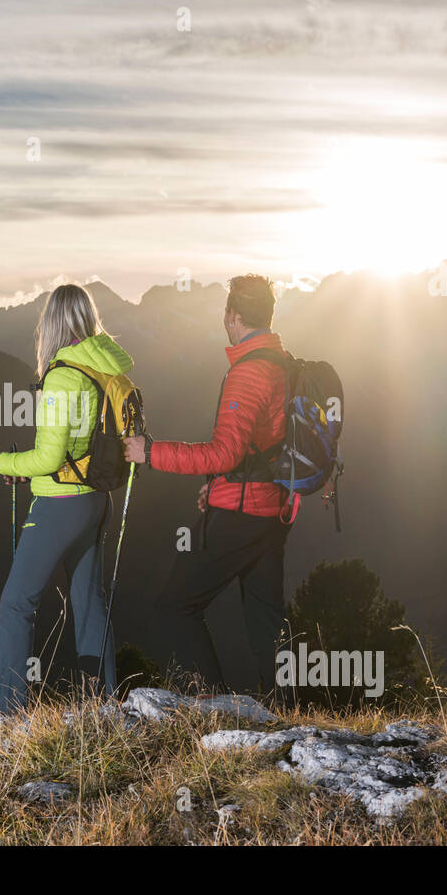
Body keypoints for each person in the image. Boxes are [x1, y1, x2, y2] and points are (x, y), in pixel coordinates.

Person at [122, 274, 299, 695]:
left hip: (241, 513)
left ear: (232, 315)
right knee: (266, 620)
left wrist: (149, 452)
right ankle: (284, 711)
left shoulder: (248, 371)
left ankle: (212, 705)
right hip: (273, 508)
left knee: (175, 608)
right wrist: (219, 484)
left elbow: (226, 454)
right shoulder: (284, 363)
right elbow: (261, 448)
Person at [0, 283, 132, 714]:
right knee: (88, 602)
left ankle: (7, 714)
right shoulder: (103, 369)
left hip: (59, 503)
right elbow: (73, 450)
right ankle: (104, 703)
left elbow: (48, 456)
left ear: (53, 323)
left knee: (16, 601)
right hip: (94, 498)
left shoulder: (62, 376)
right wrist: (26, 472)